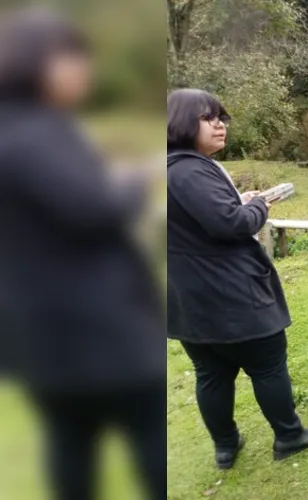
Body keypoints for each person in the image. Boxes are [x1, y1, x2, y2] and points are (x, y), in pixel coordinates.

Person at [0, 9, 166, 498]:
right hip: (93, 325)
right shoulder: (33, 133)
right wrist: (133, 183)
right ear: (40, 63)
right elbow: (93, 210)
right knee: (147, 428)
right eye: (73, 59)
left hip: (40, 327)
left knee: (70, 437)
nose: (84, 72)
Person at [168, 89, 308, 469]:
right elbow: (230, 224)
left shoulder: (169, 168)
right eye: (209, 118)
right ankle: (288, 435)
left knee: (212, 373)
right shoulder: (188, 170)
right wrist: (256, 206)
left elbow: (200, 221)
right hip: (230, 295)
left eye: (222, 117)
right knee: (268, 365)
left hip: (188, 298)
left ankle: (225, 447)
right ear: (181, 121)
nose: (220, 124)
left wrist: (237, 200)